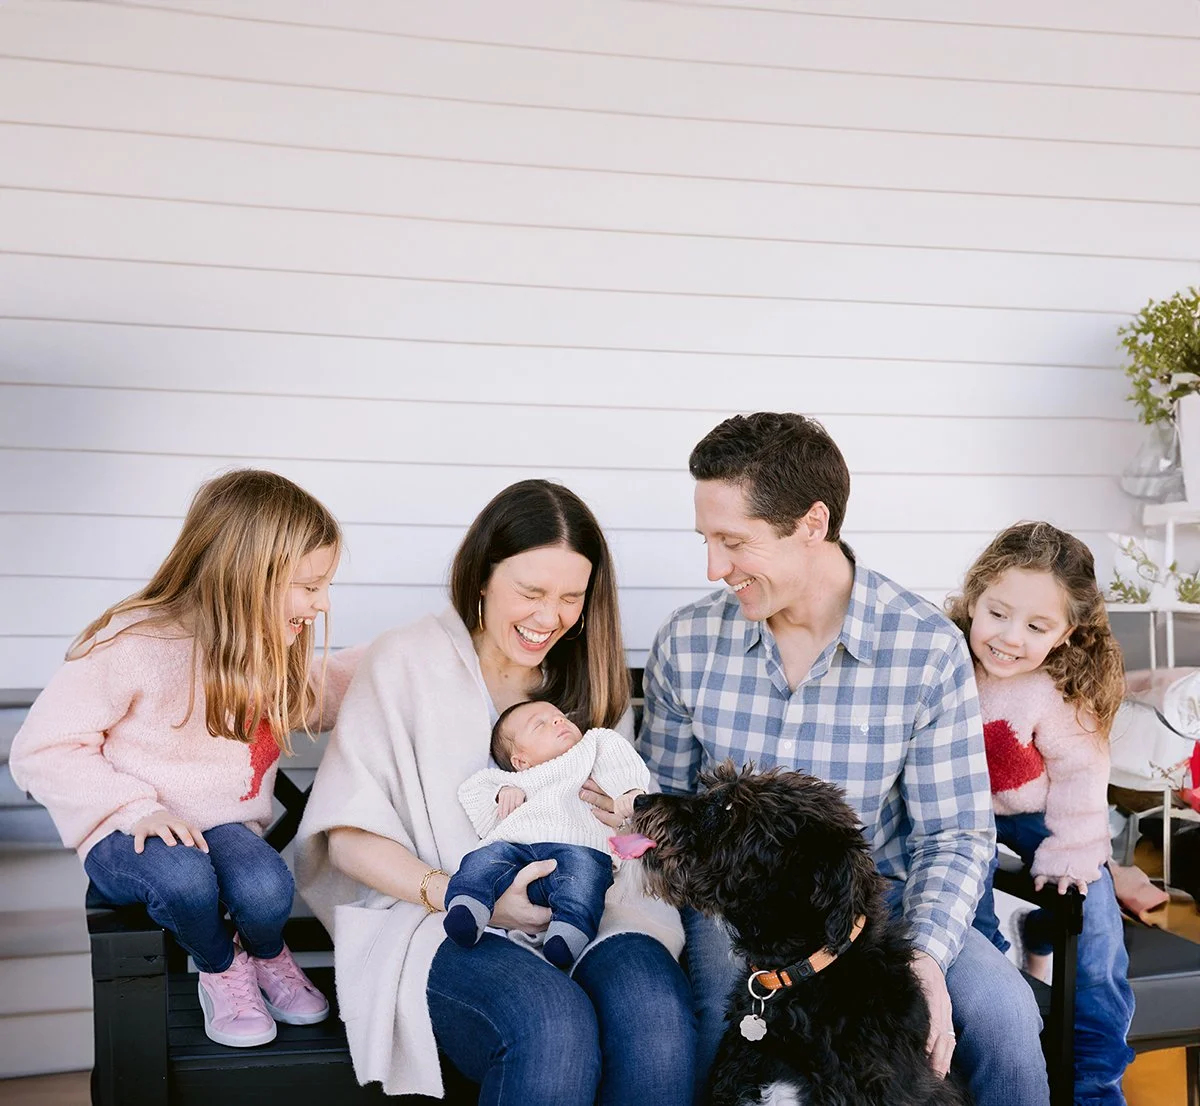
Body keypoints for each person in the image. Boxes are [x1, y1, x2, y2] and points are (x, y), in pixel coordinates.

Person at [603, 412, 1049, 1106]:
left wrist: (925, 956)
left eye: (733, 542)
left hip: (881, 909)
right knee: (715, 1026)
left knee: (1005, 1016)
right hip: (735, 911)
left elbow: (955, 835)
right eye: (707, 542)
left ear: (812, 523)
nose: (713, 569)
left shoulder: (923, 647)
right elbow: (660, 812)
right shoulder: (687, 643)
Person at [294, 479, 693, 1105]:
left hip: (593, 904)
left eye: (570, 597)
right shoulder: (406, 661)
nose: (547, 617)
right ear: (482, 576)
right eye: (529, 592)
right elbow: (348, 837)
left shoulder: (586, 677)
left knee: (657, 1019)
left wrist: (630, 819)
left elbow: (625, 826)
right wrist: (455, 890)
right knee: (550, 1023)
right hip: (438, 915)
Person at [10, 469, 357, 1048]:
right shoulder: (132, 643)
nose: (322, 604)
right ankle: (222, 969)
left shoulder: (269, 651)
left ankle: (266, 957)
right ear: (246, 576)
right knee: (185, 880)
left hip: (219, 827)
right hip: (127, 833)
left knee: (267, 887)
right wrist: (132, 807)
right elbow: (42, 748)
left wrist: (425, 651)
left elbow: (334, 688)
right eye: (310, 585)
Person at [947, 521, 1136, 1105]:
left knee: (1096, 916)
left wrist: (1073, 855)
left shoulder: (1058, 689)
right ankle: (1004, 1028)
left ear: (1065, 633)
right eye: (998, 614)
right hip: (962, 813)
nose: (1009, 637)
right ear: (974, 598)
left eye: (1036, 626)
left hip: (1040, 812)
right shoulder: (944, 661)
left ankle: (1095, 1084)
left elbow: (1081, 778)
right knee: (965, 914)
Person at [446, 699, 649, 969]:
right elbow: (471, 791)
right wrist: (502, 792)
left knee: (585, 879)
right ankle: (468, 906)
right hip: (517, 847)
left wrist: (629, 792)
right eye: (539, 724)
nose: (557, 721)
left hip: (579, 846)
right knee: (484, 859)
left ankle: (568, 933)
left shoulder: (591, 748)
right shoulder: (515, 780)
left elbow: (620, 760)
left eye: (560, 716)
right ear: (520, 761)